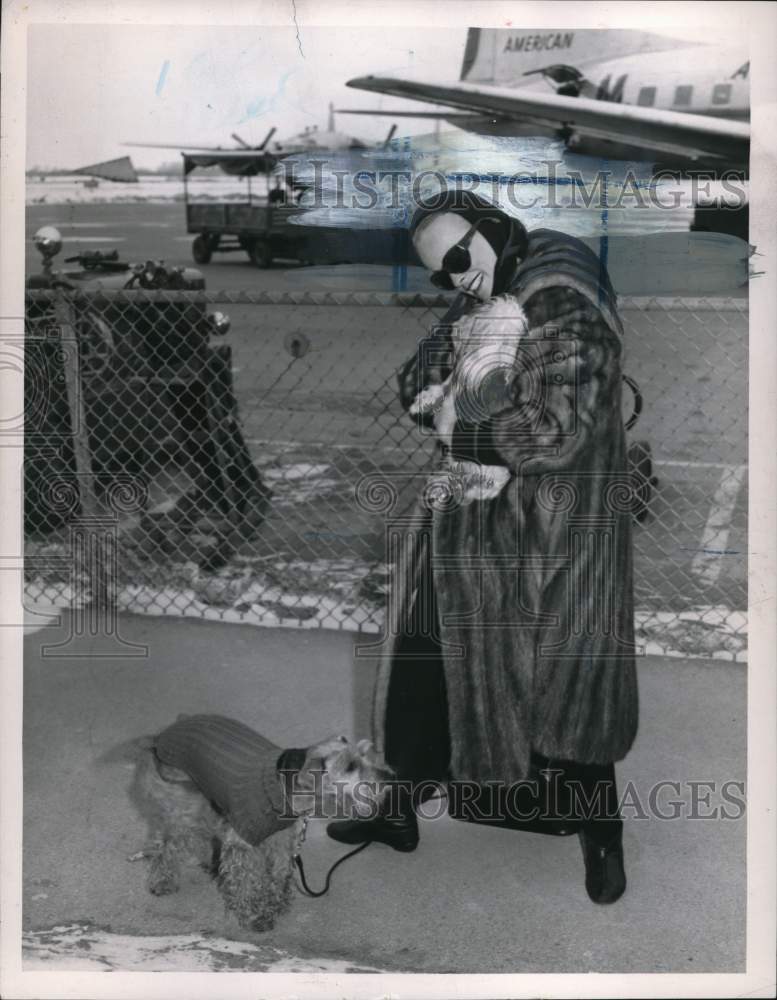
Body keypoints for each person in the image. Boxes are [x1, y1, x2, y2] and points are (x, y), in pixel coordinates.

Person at [328, 191, 639, 905]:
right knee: (419, 666)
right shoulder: (488, 290)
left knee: (568, 692)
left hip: (555, 534)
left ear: (493, 228)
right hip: (469, 520)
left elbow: (554, 430)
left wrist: (461, 424)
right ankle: (396, 810)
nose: (455, 279)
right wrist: (456, 360)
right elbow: (413, 384)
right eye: (441, 274)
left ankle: (602, 837)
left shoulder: (562, 295)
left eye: (459, 259)